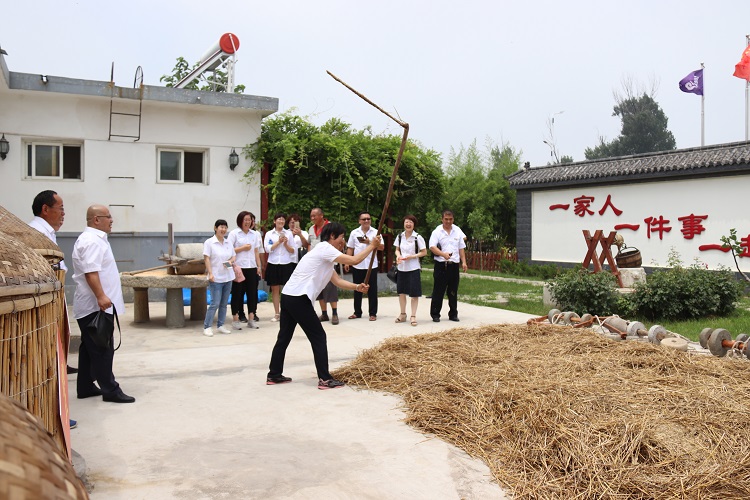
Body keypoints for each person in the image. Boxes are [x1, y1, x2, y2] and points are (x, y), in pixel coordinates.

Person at [267, 222, 381, 390]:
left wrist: (357, 287)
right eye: (341, 237)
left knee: (284, 336)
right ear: (332, 236)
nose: (343, 241)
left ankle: (274, 374)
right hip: (299, 298)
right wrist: (372, 246)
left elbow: (337, 281)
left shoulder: (323, 254)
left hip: (289, 296)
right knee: (318, 336)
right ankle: (325, 379)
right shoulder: (325, 248)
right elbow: (354, 260)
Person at [71, 205, 134, 403]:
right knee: (102, 349)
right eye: (108, 216)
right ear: (96, 219)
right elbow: (91, 272)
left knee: (89, 349)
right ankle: (110, 390)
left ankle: (85, 386)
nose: (112, 220)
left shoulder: (96, 239)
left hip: (97, 306)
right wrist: (100, 296)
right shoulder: (92, 241)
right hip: (95, 307)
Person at [29, 190, 78, 427]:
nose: (64, 214)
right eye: (61, 208)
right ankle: (50, 417)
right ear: (45, 209)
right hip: (42, 309)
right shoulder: (36, 233)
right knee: (46, 365)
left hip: (52, 304)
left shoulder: (46, 232)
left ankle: (55, 413)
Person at [429, 210, 468, 322]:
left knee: (453, 291)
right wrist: (443, 254)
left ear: (453, 219)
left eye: (450, 219)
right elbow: (432, 247)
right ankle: (435, 314)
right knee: (438, 291)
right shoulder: (437, 232)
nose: (448, 221)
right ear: (442, 219)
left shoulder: (457, 231)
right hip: (441, 265)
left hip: (454, 265)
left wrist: (463, 262)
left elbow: (461, 248)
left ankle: (453, 314)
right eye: (446, 219)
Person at [345, 211, 384, 321]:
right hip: (358, 265)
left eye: (368, 218)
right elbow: (350, 248)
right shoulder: (354, 233)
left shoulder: (376, 232)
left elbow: (382, 247)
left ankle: (373, 313)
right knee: (357, 289)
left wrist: (370, 242)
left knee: (372, 290)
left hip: (371, 266)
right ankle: (357, 312)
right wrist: (347, 262)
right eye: (364, 219)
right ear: (359, 221)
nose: (366, 220)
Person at [228, 211, 261, 330]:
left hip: (251, 267)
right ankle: (235, 319)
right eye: (245, 220)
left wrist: (259, 266)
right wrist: (243, 248)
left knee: (252, 294)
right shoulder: (234, 233)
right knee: (237, 293)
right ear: (240, 221)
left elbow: (256, 251)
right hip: (239, 268)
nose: (247, 222)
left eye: (249, 220)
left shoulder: (254, 234)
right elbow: (228, 250)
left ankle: (251, 318)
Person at [203, 219, 236, 337]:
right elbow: (206, 258)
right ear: (215, 228)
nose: (223, 229)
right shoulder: (209, 242)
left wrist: (230, 262)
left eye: (225, 227)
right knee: (215, 303)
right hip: (216, 278)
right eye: (221, 227)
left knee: (224, 303)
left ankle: (221, 325)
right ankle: (207, 326)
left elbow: (233, 256)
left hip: (228, 277)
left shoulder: (228, 243)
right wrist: (210, 273)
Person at [394, 215, 427, 326]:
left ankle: (413, 316)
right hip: (402, 268)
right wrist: (398, 256)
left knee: (414, 293)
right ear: (403, 224)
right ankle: (403, 314)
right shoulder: (400, 236)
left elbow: (424, 252)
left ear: (414, 225)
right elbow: (397, 250)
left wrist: (413, 256)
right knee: (401, 293)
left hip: (413, 268)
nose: (408, 224)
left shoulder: (418, 237)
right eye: (406, 222)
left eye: (411, 222)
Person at [308, 207, 340, 325]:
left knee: (331, 287)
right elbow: (309, 243)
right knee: (319, 288)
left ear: (321, 215)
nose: (312, 218)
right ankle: (324, 313)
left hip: (328, 261)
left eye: (314, 216)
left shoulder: (330, 227)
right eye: (311, 216)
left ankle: (335, 313)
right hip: (316, 263)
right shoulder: (311, 229)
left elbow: (338, 242)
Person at [264, 213, 296, 322]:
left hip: (286, 263)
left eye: (283, 220)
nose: (281, 221)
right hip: (273, 263)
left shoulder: (289, 233)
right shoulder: (269, 234)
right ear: (274, 221)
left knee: (287, 290)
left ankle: (286, 312)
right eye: (279, 219)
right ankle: (277, 313)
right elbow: (267, 249)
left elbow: (293, 250)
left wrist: (286, 244)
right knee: (275, 289)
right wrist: (278, 242)